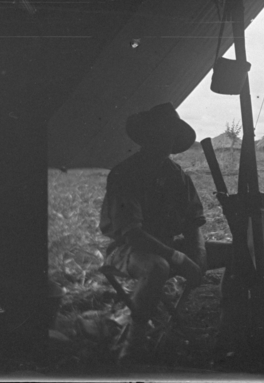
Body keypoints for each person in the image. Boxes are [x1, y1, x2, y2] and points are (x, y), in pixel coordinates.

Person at [99, 102, 209, 363]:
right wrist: (182, 260)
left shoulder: (177, 175)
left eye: (170, 136)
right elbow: (133, 234)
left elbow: (194, 224)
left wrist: (199, 256)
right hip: (128, 250)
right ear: (146, 137)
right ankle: (133, 342)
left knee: (238, 252)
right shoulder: (125, 173)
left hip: (168, 245)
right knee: (158, 267)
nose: (165, 141)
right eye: (159, 134)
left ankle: (230, 329)